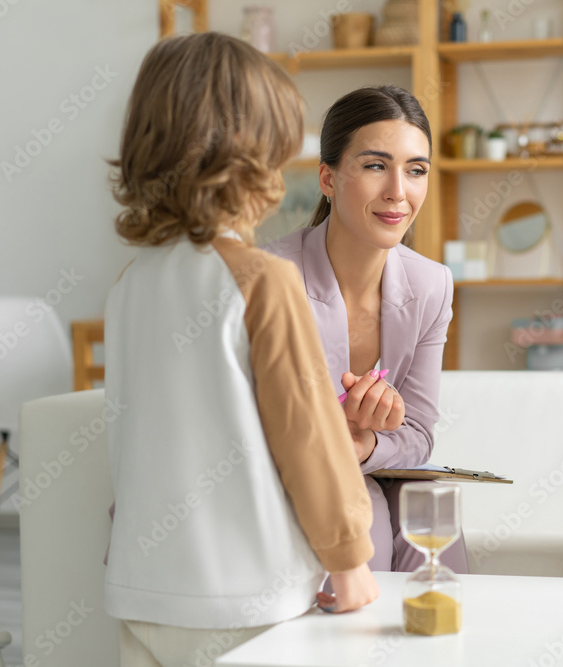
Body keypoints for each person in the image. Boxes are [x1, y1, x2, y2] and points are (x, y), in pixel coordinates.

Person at [104, 33, 377, 666]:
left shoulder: (128, 287)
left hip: (143, 594)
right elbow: (307, 435)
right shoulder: (263, 280)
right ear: (251, 161)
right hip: (248, 601)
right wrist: (348, 558)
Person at [264, 85, 468, 574]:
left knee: (432, 513)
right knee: (366, 516)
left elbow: (418, 433)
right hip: (280, 474)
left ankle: (444, 650)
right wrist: (332, 440)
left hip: (364, 467)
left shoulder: (432, 284)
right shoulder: (270, 278)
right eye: (376, 165)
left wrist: (366, 445)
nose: (399, 190)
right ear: (328, 179)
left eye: (416, 170)